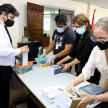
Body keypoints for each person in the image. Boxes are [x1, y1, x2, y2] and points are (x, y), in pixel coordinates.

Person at [66, 17, 108, 108]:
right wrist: (73, 83)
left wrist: (94, 98)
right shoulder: (97, 50)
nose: (98, 42)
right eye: (95, 38)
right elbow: (87, 71)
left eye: (102, 38)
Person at [57, 14, 100, 84]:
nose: (78, 28)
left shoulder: (91, 37)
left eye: (80, 26)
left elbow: (82, 57)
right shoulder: (78, 35)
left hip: (91, 70)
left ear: (86, 24)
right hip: (80, 68)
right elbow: (73, 53)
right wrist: (62, 60)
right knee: (78, 86)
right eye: (76, 27)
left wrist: (69, 64)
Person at [0, 4, 29, 108]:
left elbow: (6, 46)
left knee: (5, 92)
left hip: (5, 66)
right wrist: (19, 50)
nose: (12, 20)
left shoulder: (3, 26)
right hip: (2, 68)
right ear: (4, 14)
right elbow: (1, 50)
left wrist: (14, 54)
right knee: (2, 94)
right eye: (11, 17)